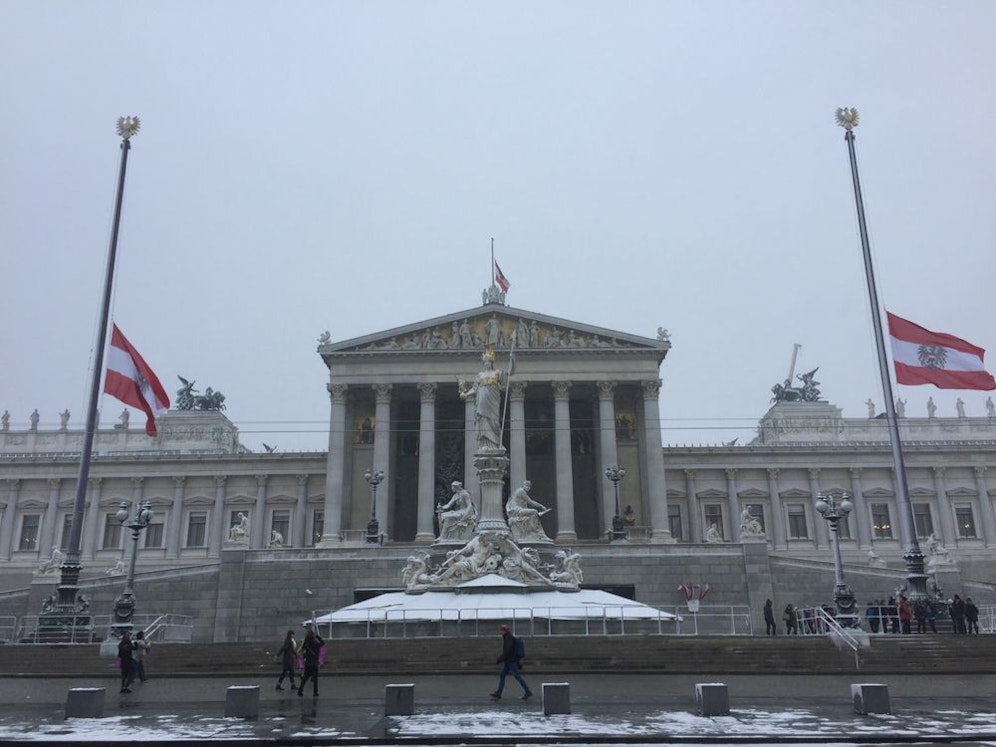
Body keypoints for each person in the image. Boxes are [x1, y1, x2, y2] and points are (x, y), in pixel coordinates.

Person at [459, 347, 508, 451]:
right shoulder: (480, 375)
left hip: (493, 402)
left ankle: (495, 444)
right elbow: (475, 388)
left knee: (494, 422)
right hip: (482, 401)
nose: (487, 364)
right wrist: (466, 394)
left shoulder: (497, 373)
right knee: (482, 420)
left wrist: (511, 364)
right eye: (485, 362)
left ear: (492, 363)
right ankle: (484, 443)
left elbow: (504, 384)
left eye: (488, 362)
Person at [490, 624, 531, 701]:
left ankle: (528, 691)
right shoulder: (508, 637)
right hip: (508, 661)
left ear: (504, 631)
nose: (500, 632)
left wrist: (500, 659)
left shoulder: (508, 638)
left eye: (501, 630)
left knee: (517, 676)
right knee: (502, 675)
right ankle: (499, 693)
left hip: (510, 661)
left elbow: (508, 650)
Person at [296, 627, 325, 697]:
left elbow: (302, 648)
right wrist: (317, 636)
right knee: (315, 679)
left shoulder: (306, 644)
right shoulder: (316, 643)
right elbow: (322, 643)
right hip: (314, 663)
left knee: (305, 678)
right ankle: (315, 692)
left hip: (308, 663)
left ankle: (300, 690)